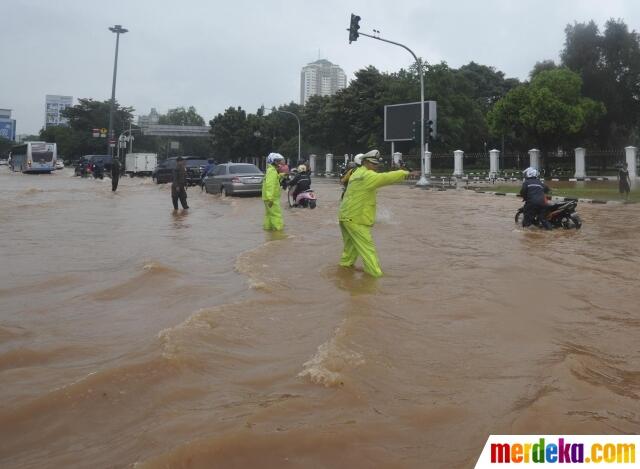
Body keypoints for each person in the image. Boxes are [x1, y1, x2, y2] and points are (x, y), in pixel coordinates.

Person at [338, 150, 409, 277]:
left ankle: (344, 271)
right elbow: (386, 178)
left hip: (345, 217)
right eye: (373, 164)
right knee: (368, 250)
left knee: (350, 250)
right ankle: (374, 277)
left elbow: (343, 181)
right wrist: (405, 173)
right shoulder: (367, 176)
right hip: (356, 219)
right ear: (365, 162)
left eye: (376, 164)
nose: (376, 166)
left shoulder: (356, 173)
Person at [262, 153, 284, 230]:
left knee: (269, 214)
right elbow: (270, 185)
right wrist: (270, 198)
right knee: (276, 215)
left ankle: (268, 230)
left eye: (279, 161)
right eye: (277, 161)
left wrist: (281, 175)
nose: (279, 163)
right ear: (272, 162)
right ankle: (278, 234)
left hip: (268, 198)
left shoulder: (271, 170)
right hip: (272, 198)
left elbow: (274, 180)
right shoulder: (272, 171)